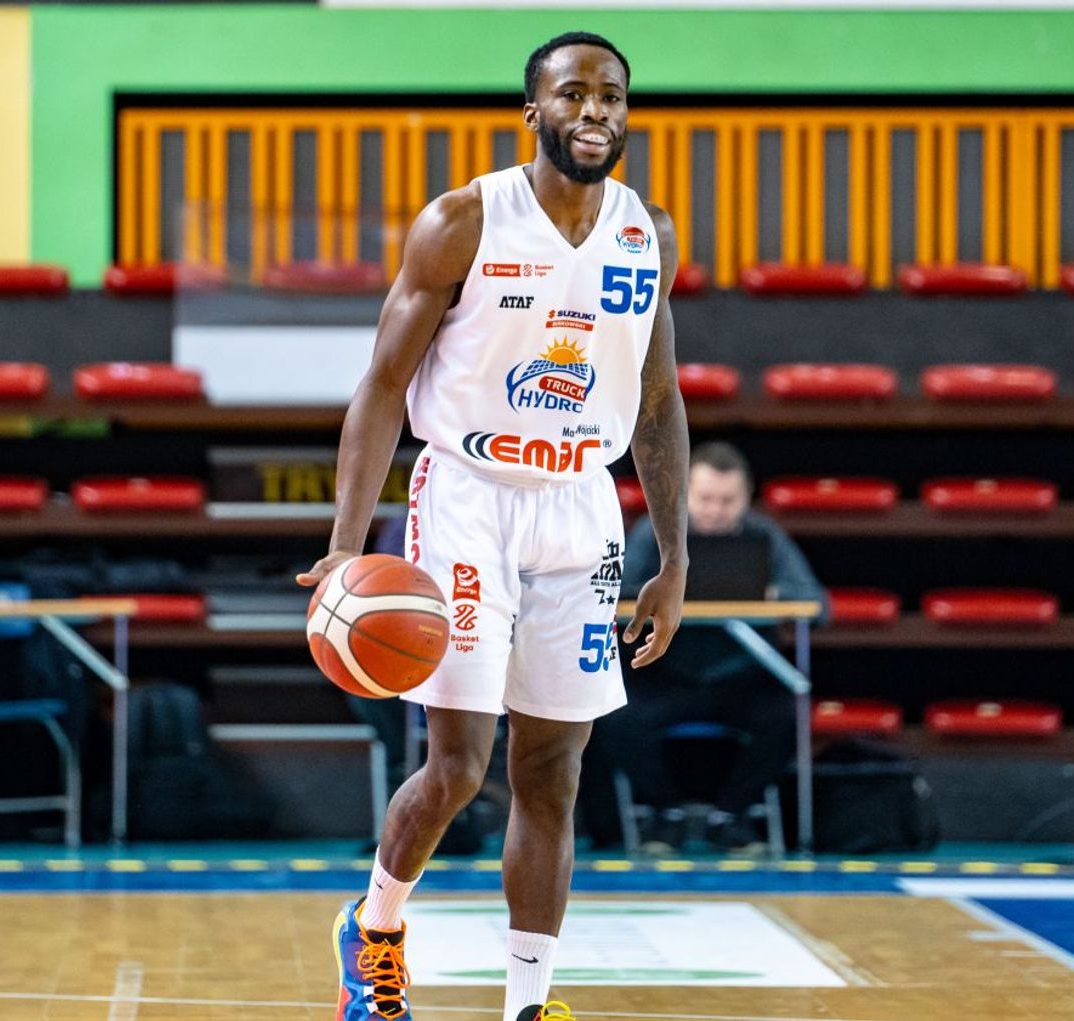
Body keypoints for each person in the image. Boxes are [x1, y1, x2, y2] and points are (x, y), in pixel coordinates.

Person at [297, 31, 689, 1021]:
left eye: (611, 96)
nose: (594, 111)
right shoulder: (463, 220)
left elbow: (657, 399)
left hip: (583, 505)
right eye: (573, 93)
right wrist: (347, 541)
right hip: (468, 495)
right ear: (533, 111)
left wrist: (676, 553)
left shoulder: (647, 232)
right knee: (461, 765)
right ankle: (374, 927)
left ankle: (528, 1002)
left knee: (553, 771)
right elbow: (382, 387)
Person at [584, 442, 826, 853]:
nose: (715, 510)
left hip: (742, 677)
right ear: (685, 494)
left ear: (746, 497)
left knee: (788, 715)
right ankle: (665, 814)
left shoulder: (765, 536)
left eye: (727, 501)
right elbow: (614, 591)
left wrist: (774, 594)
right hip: (665, 675)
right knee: (614, 714)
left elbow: (815, 603)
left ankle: (730, 816)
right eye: (706, 498)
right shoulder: (654, 532)